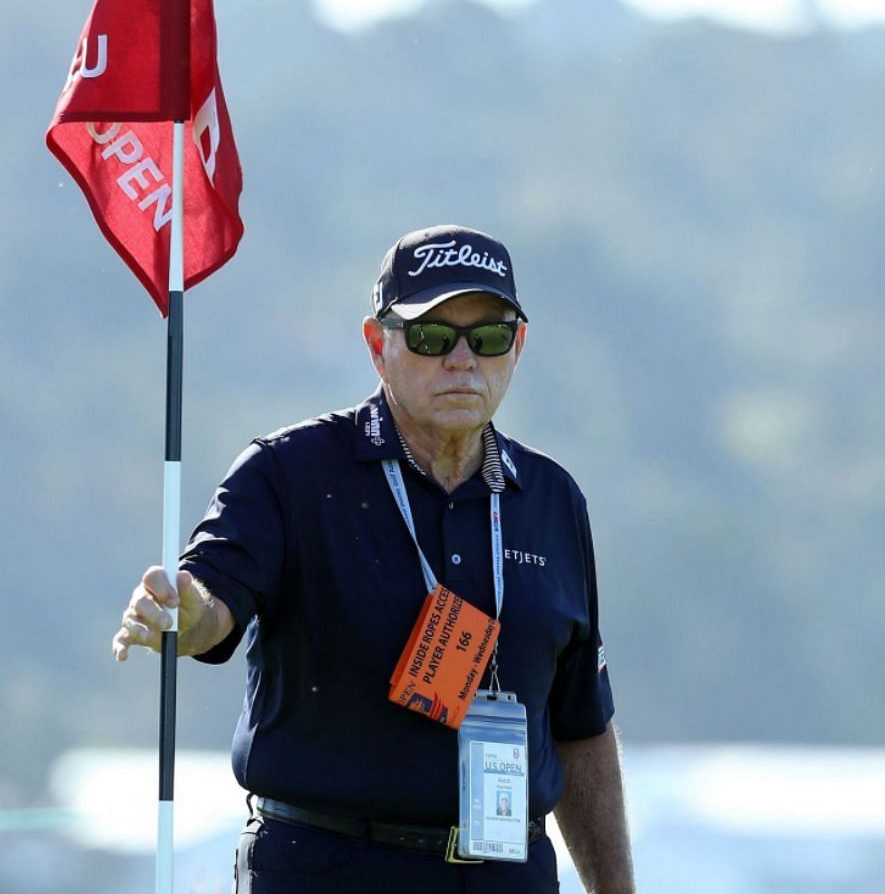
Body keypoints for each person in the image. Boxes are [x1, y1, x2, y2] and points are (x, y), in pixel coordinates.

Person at [109, 226, 631, 891]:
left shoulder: (552, 499)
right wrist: (186, 611)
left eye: (489, 337)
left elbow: (580, 723)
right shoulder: (288, 473)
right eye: (432, 336)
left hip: (507, 873)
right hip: (325, 867)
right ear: (377, 346)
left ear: (518, 347)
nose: (462, 360)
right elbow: (214, 602)